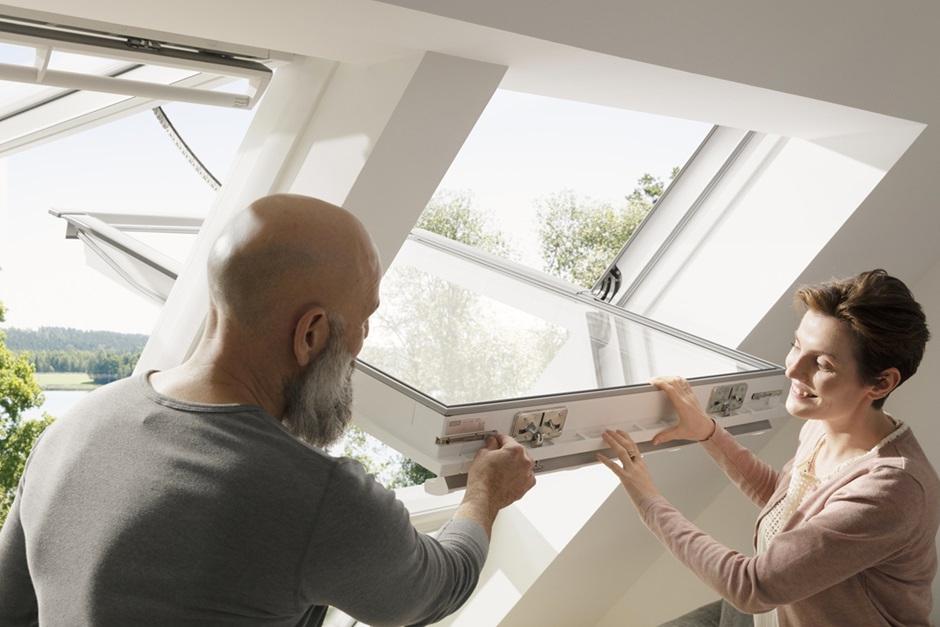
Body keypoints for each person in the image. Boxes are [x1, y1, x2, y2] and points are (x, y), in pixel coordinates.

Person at [0, 194, 536, 626]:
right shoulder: (313, 498)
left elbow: (10, 607)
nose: (363, 346)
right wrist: (486, 492)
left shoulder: (71, 430)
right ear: (310, 333)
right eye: (363, 322)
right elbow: (433, 589)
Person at [597, 269, 939, 626]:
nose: (793, 370)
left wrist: (649, 502)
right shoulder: (823, 426)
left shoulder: (892, 490)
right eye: (796, 346)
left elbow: (753, 587)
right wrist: (708, 433)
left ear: (881, 382)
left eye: (822, 364)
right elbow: (785, 500)